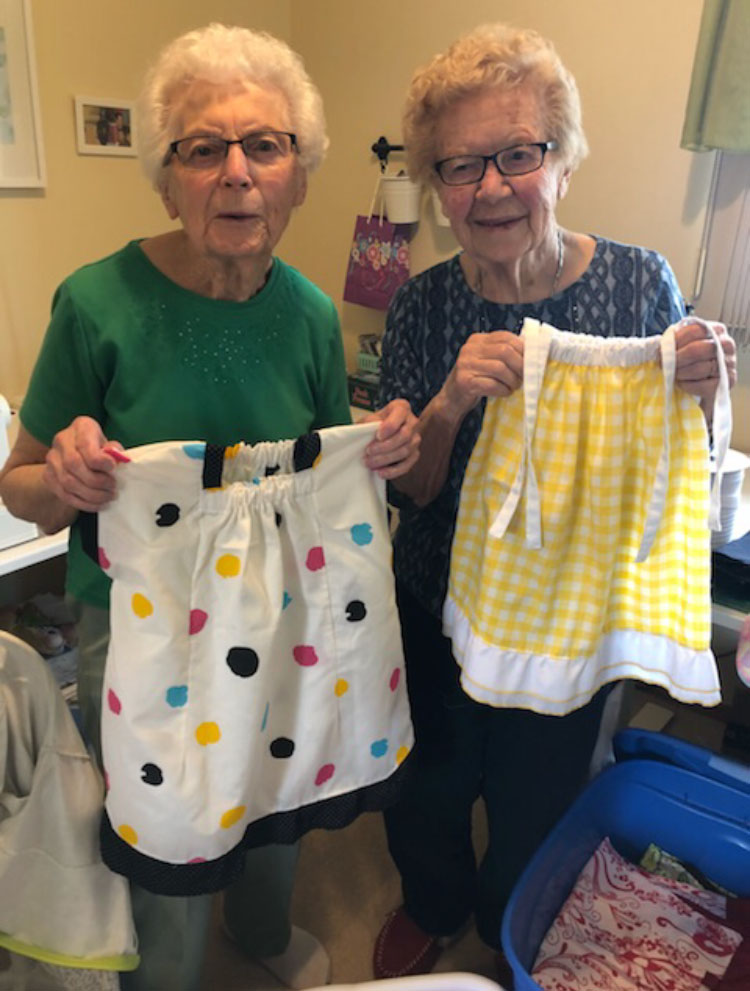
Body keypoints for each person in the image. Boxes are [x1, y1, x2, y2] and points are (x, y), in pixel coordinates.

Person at [0, 23, 419, 991]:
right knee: (169, 817)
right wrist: (61, 477)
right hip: (138, 619)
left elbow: (322, 468)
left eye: (264, 145)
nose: (236, 173)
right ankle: (167, 976)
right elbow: (18, 481)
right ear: (166, 178)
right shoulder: (96, 304)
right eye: (202, 149)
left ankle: (265, 929)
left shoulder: (310, 313)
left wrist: (380, 446)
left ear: (299, 175)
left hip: (278, 607)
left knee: (278, 774)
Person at [372, 22, 737, 982]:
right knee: (427, 782)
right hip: (434, 598)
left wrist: (702, 390)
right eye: (460, 165)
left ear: (563, 162)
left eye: (518, 154)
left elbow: (674, 462)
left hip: (572, 611)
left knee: (539, 796)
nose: (491, 187)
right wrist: (449, 402)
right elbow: (410, 488)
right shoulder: (420, 306)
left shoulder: (638, 282)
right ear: (438, 186)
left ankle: (508, 925)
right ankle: (432, 901)